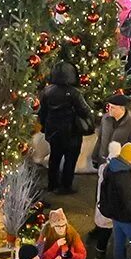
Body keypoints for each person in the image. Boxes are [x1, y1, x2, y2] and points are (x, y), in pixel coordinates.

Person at [39, 61, 89, 194]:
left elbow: (42, 112)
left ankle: (52, 184)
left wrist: (44, 127)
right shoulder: (74, 93)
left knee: (54, 158)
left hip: (54, 131)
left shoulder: (47, 91)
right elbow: (84, 111)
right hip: (71, 132)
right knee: (70, 160)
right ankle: (65, 186)